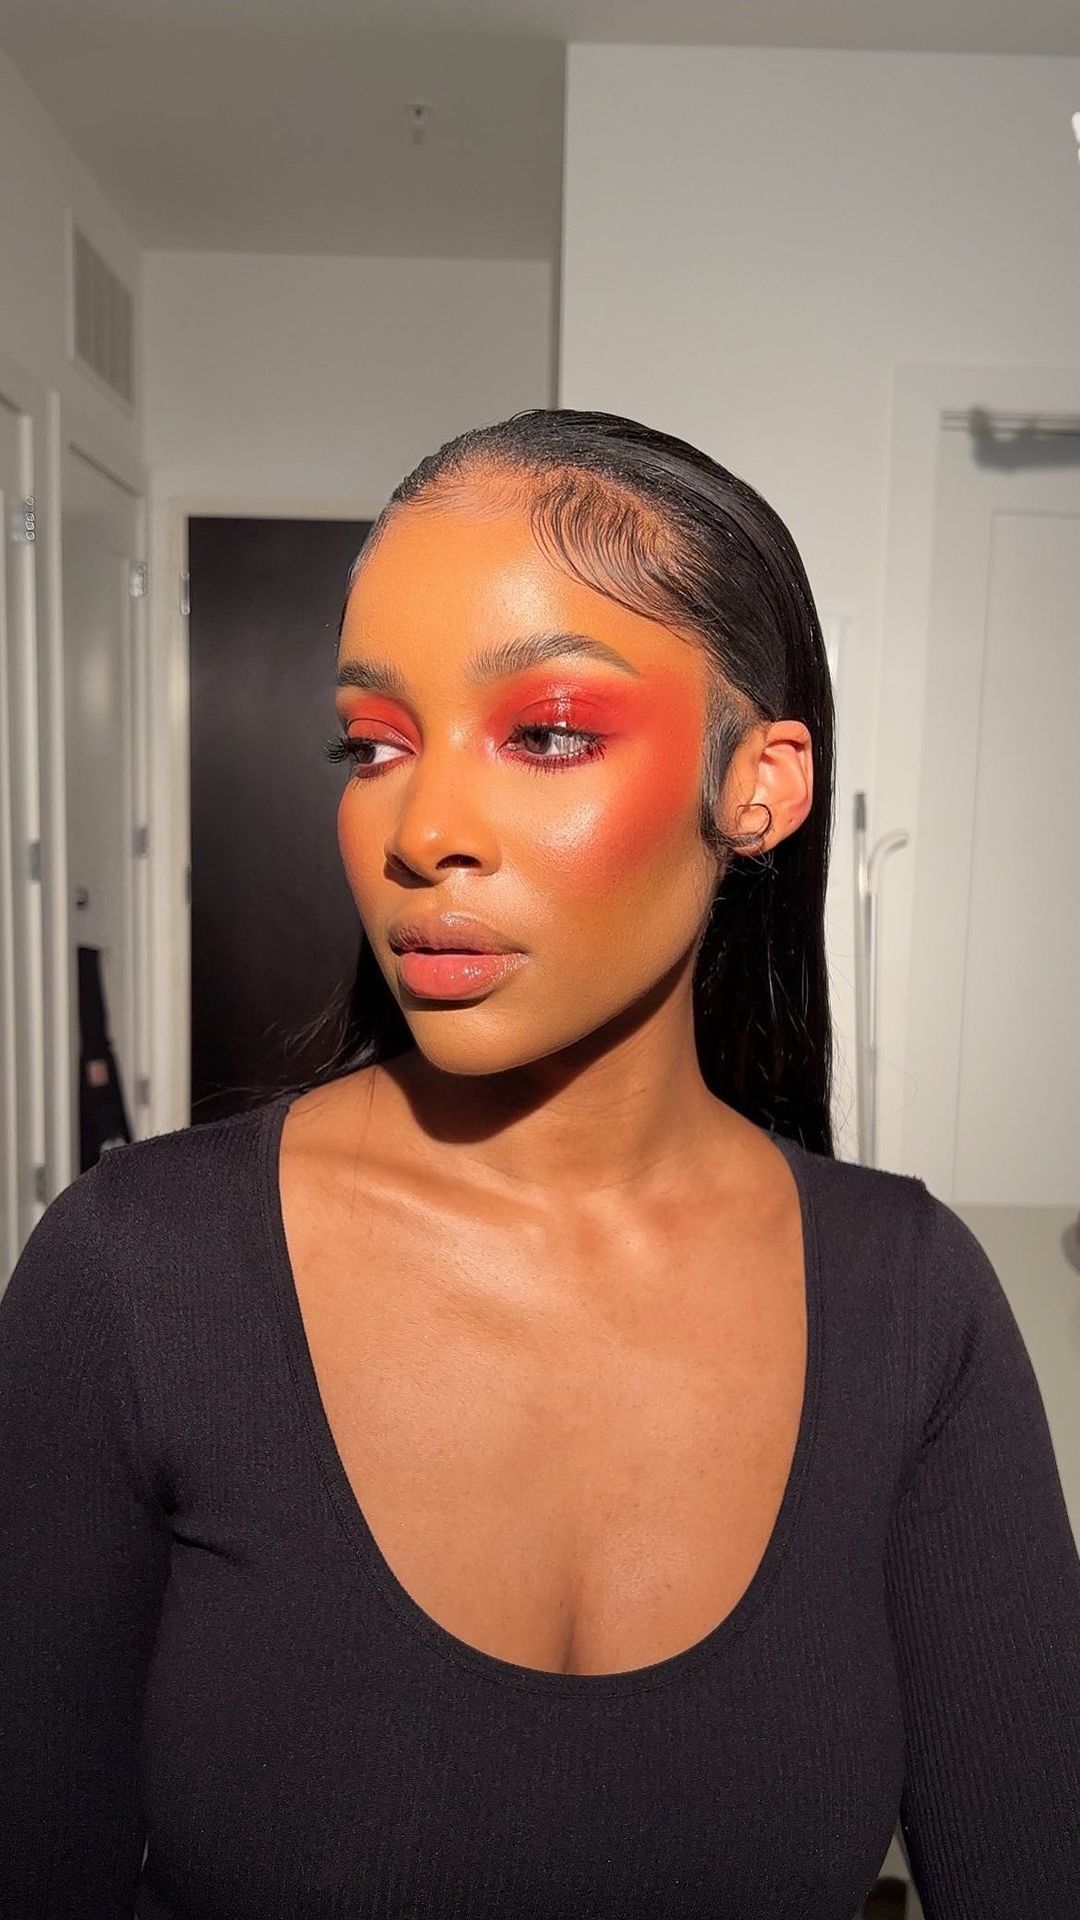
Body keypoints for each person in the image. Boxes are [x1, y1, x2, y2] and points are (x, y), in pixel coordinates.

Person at [1, 408, 1077, 1919]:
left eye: (549, 732)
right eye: (375, 744)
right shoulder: (137, 1277)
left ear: (758, 786)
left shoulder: (913, 1305)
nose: (422, 828)